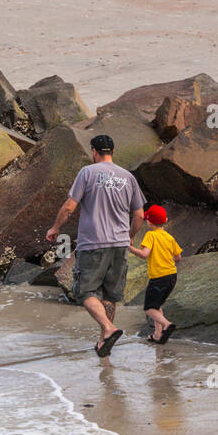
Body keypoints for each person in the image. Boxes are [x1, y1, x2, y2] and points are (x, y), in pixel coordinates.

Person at [45, 134, 146, 357]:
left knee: (84, 291)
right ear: (113, 151)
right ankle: (104, 340)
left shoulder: (87, 173)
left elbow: (70, 207)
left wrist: (55, 228)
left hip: (94, 243)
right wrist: (129, 235)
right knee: (110, 294)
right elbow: (139, 214)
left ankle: (109, 329)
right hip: (120, 245)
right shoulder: (128, 177)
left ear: (94, 152)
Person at [128, 204, 181, 343]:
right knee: (157, 305)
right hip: (172, 276)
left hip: (158, 277)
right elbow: (178, 257)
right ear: (166, 220)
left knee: (149, 308)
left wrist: (129, 248)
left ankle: (167, 324)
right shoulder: (169, 237)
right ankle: (158, 334)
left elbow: (145, 254)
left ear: (149, 222)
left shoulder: (150, 235)